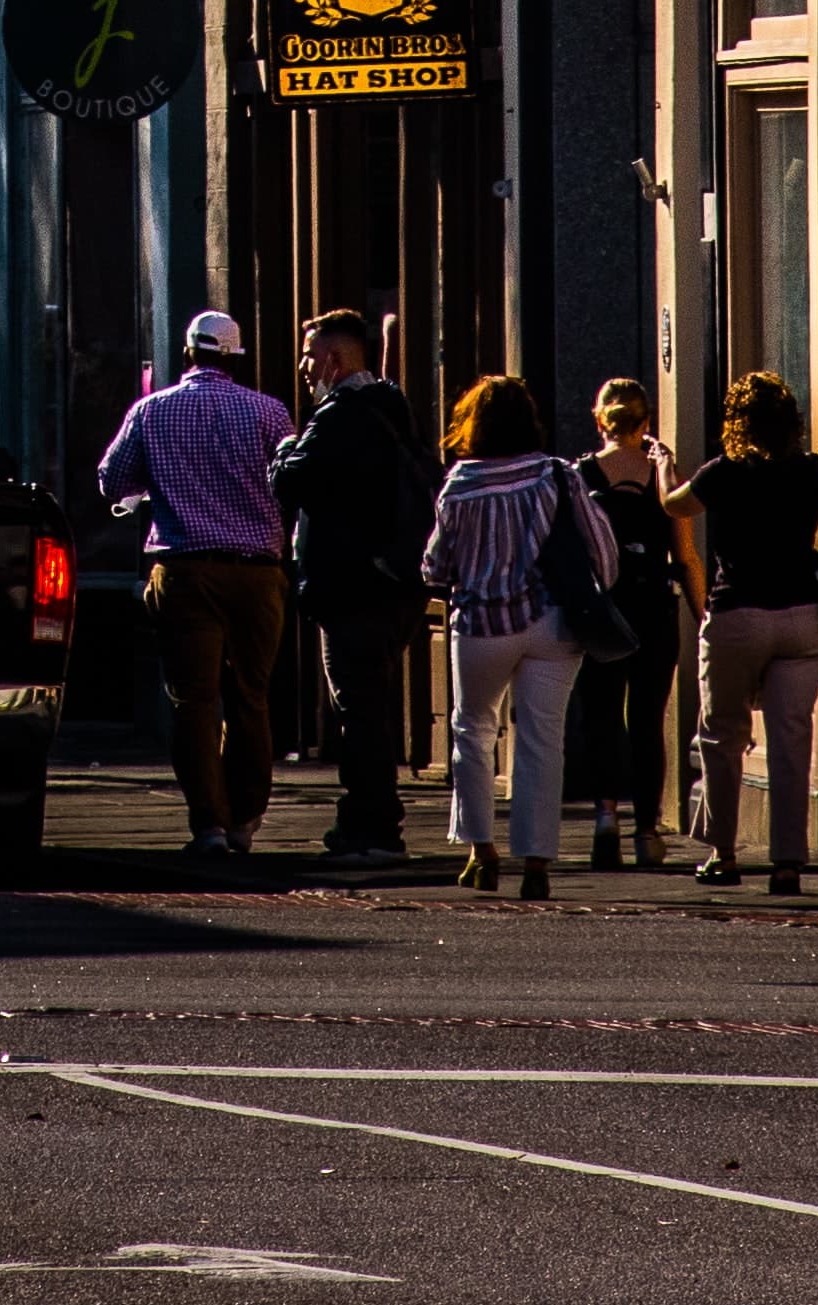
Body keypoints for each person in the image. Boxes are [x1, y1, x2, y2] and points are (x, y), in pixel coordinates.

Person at [98, 309, 295, 871]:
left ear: (188, 355)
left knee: (194, 702)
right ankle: (246, 817)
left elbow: (113, 480)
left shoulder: (152, 411)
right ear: (233, 358)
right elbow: (293, 477)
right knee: (251, 696)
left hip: (184, 571)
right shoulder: (269, 412)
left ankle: (207, 822)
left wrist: (161, 484)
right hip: (258, 570)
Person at [422, 371, 608, 899]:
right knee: (542, 740)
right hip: (551, 622)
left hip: (482, 625)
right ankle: (537, 862)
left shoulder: (460, 484)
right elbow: (601, 548)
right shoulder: (556, 474)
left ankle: (480, 849)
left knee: (473, 733)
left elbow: (436, 567)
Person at [275, 306, 433, 868]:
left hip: (353, 587)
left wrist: (282, 454)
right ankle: (365, 817)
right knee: (370, 703)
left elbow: (292, 481)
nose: (303, 365)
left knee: (359, 709)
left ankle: (374, 827)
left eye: (310, 354)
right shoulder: (395, 408)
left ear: (334, 360)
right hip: (395, 585)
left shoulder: (338, 416)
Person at [667, 366, 818, 893]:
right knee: (791, 738)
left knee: (722, 735)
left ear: (737, 421)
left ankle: (723, 853)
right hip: (802, 615)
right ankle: (788, 861)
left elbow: (675, 506)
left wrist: (662, 471)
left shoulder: (723, 472)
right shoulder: (809, 468)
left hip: (737, 612)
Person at [573, 377, 681, 871]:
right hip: (655, 608)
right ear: (646, 423)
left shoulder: (580, 475)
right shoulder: (662, 476)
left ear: (600, 421)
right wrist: (704, 613)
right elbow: (685, 550)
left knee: (601, 716)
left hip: (603, 610)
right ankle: (648, 831)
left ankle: (605, 819)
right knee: (646, 720)